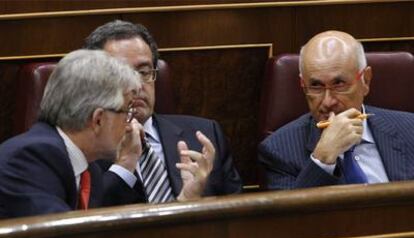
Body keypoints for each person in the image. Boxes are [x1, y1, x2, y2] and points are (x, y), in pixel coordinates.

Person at [0, 49, 211, 218]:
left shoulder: (87, 167)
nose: (131, 124)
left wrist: (184, 200)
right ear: (98, 119)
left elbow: (108, 235)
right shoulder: (32, 157)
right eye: (127, 111)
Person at [84, 20, 242, 204]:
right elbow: (82, 220)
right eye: (121, 74)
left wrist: (191, 202)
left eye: (144, 72)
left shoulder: (206, 135)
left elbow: (238, 220)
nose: (136, 85)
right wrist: (123, 166)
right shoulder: (82, 148)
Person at [259, 30, 414, 190]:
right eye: (316, 86)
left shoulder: (410, 130)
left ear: (365, 80)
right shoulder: (279, 151)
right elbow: (290, 215)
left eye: (339, 84)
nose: (328, 102)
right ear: (303, 85)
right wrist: (322, 160)